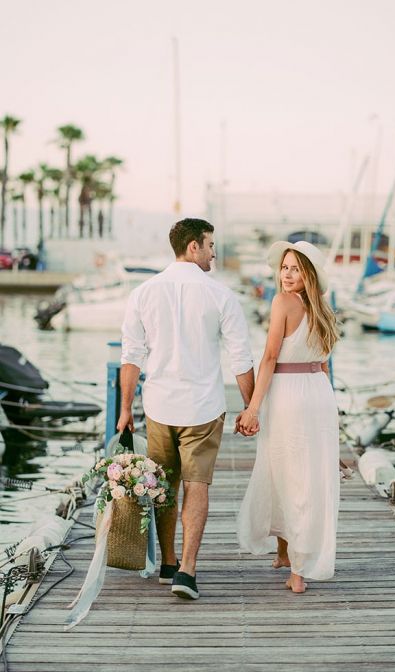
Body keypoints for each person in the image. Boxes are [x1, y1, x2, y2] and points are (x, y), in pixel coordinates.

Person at [118, 218, 254, 600]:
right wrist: (250, 406)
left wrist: (126, 408)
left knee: (163, 486)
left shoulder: (143, 292)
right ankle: (188, 572)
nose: (214, 252)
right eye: (210, 244)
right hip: (203, 408)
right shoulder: (221, 296)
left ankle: (168, 562)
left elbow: (132, 356)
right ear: (193, 247)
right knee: (197, 486)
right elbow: (240, 359)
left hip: (159, 406)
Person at [236, 240, 340, 593]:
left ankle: (297, 572)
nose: (287, 274)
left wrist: (252, 408)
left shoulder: (282, 302)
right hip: (318, 393)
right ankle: (284, 552)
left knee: (292, 478)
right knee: (301, 474)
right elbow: (324, 363)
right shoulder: (322, 308)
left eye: (295, 268)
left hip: (289, 394)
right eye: (284, 267)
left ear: (308, 273)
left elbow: (269, 358)